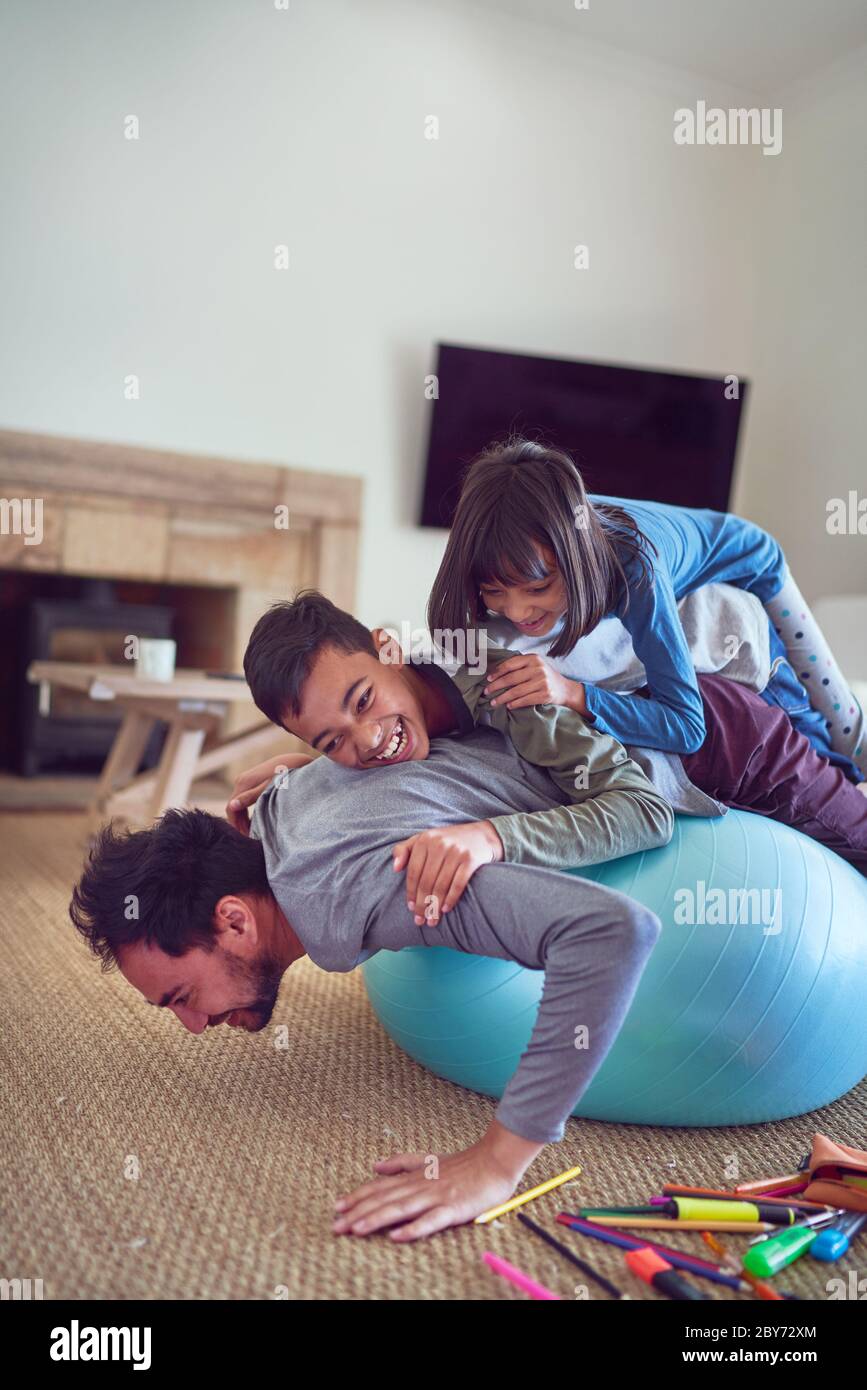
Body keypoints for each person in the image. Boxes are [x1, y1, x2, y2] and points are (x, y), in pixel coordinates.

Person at [235, 592, 867, 883]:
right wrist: (304, 771)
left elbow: (643, 814)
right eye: (330, 742)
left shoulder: (508, 687)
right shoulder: (425, 675)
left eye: (364, 702)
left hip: (733, 737)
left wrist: (492, 838)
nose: (368, 741)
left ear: (388, 648)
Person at [425, 437, 866, 784]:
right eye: (494, 591)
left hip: (751, 561)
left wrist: (572, 693)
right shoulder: (522, 540)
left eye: (539, 587)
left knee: (838, 723)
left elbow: (687, 726)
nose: (517, 610)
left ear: (574, 560)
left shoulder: (635, 569)